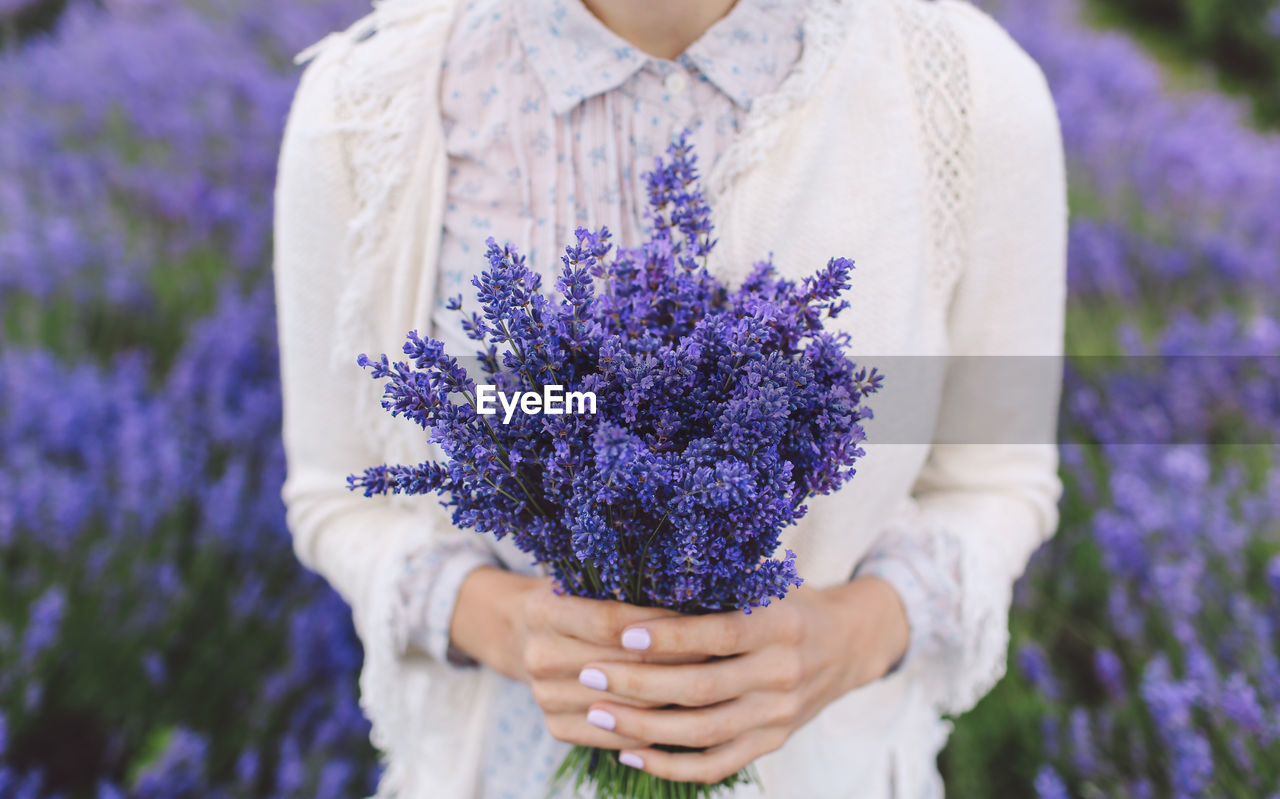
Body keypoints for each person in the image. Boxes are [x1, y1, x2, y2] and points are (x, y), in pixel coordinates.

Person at [270, 0, 1067, 796]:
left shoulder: (966, 92)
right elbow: (337, 498)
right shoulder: (368, 107)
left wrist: (848, 635)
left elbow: (995, 482)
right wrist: (506, 622)